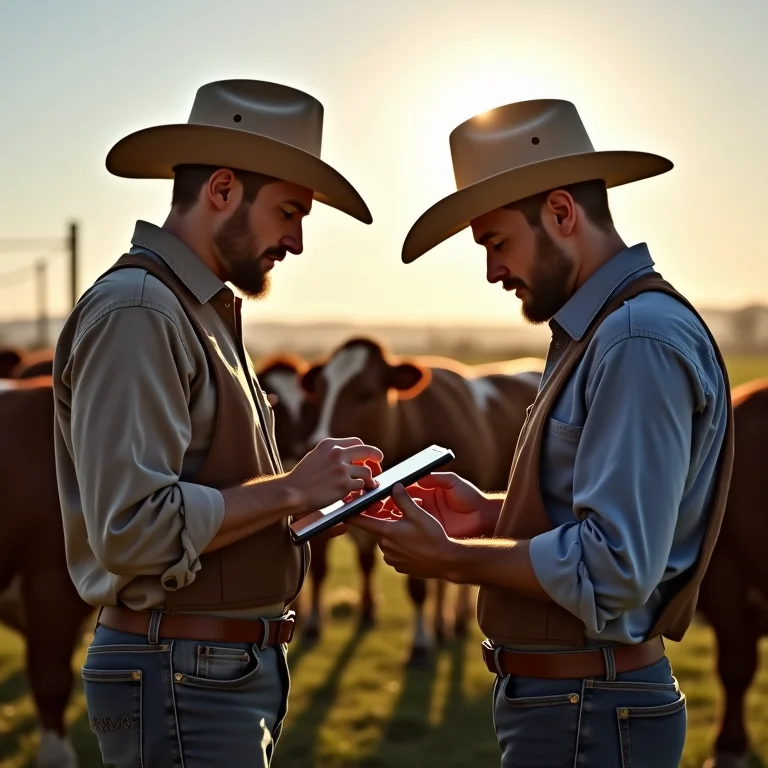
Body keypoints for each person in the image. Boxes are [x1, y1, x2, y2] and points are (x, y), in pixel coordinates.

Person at [350, 98, 734, 766]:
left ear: (561, 213)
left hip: (589, 708)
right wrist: (493, 514)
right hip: (579, 706)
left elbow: (616, 566)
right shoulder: (604, 331)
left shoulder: (635, 339)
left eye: (498, 244)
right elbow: (606, 516)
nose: (493, 271)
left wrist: (454, 560)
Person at [51, 79, 383, 768]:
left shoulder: (191, 310)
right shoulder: (140, 313)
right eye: (290, 211)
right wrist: (291, 490)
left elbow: (204, 498)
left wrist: (304, 507)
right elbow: (134, 529)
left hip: (200, 665)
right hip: (179, 665)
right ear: (223, 190)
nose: (295, 240)